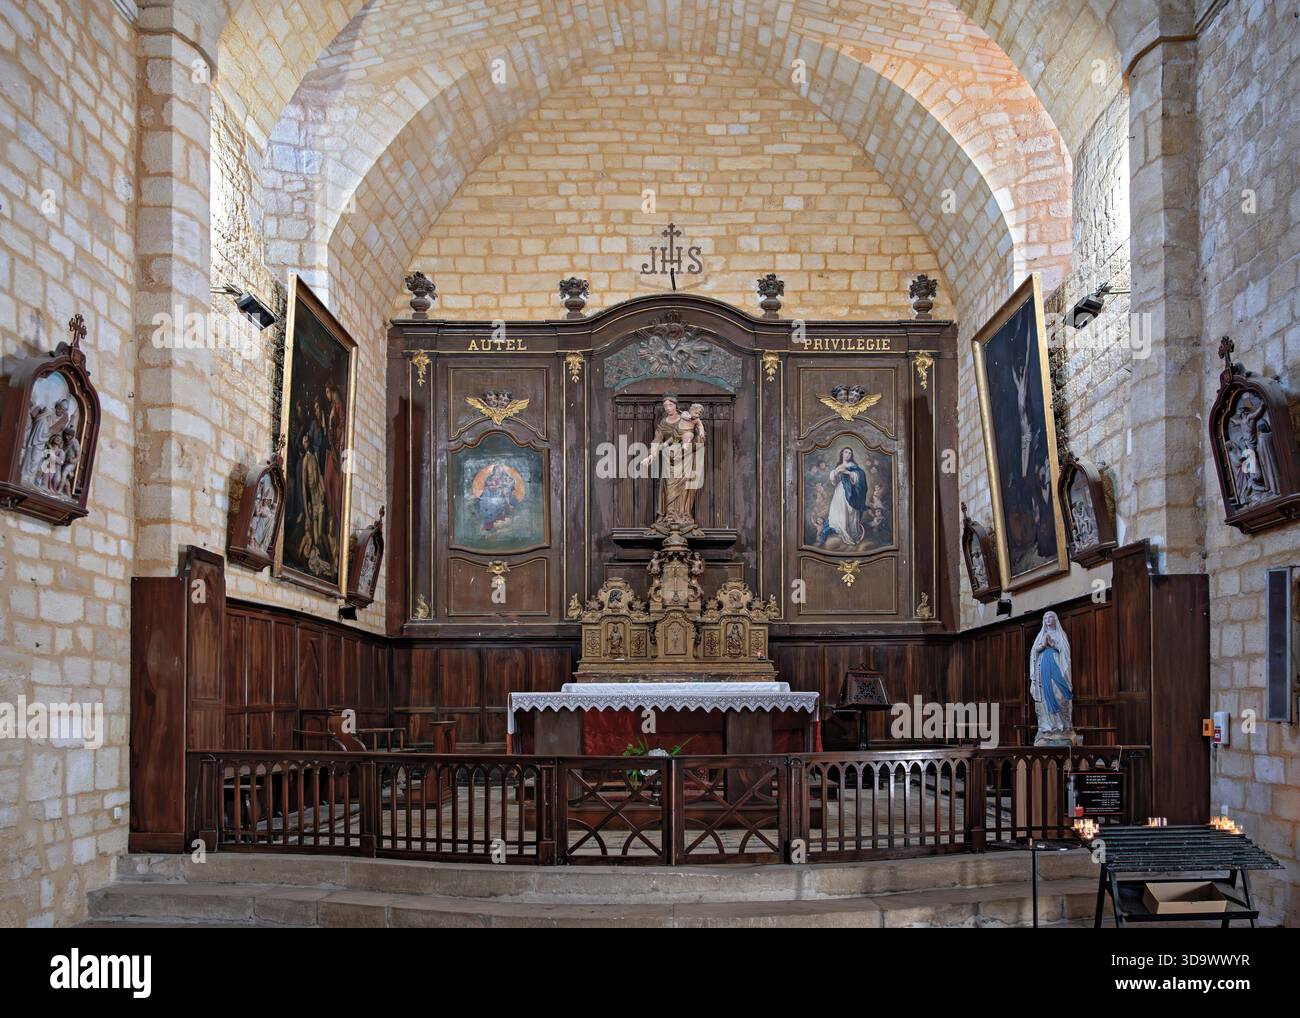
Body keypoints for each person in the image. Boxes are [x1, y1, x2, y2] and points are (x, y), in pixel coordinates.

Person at [1030, 611, 1075, 745]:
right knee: (1045, 696)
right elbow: (1034, 652)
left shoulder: (1060, 634)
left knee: (1060, 694)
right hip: (1044, 667)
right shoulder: (1041, 635)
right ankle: (1047, 727)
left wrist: (1053, 644)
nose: (1048, 619)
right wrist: (1043, 645)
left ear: (1055, 619)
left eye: (1050, 617)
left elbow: (1065, 651)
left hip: (1057, 666)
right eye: (1045, 617)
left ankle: (1063, 726)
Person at [817, 447, 869, 547]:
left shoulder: (853, 466)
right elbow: (834, 481)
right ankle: (841, 534)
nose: (848, 454)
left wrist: (848, 473)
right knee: (837, 513)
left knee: (849, 512)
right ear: (842, 454)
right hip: (839, 492)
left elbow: (860, 476)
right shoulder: (838, 466)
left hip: (850, 493)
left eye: (850, 453)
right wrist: (835, 472)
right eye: (846, 452)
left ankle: (850, 534)